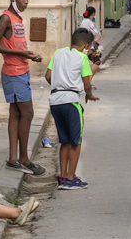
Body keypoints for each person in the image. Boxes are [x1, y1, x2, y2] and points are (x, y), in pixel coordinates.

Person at [0, 0, 46, 175]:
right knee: (27, 113)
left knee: (16, 113)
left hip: (21, 70)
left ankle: (14, 159)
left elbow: (16, 44)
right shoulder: (6, 17)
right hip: (14, 72)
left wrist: (28, 54)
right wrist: (20, 53)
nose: (26, 2)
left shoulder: (17, 18)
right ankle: (23, 159)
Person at [45, 28, 100, 190]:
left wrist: (59, 86)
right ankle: (71, 178)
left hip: (55, 101)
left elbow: (48, 76)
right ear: (86, 45)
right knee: (76, 141)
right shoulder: (82, 57)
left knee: (65, 141)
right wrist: (88, 94)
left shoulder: (58, 53)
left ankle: (62, 177)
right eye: (89, 47)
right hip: (71, 102)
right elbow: (87, 82)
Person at [79, 6, 104, 75]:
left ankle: (88, 80)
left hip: (91, 45)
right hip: (88, 46)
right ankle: (89, 80)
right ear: (93, 14)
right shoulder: (86, 22)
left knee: (88, 62)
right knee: (97, 61)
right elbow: (85, 34)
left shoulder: (89, 22)